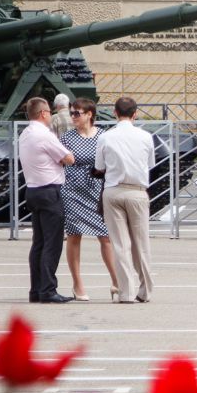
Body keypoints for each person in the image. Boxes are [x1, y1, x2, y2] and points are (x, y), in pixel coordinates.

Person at [96, 96, 157, 302]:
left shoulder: (105, 137)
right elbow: (149, 164)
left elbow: (100, 166)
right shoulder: (145, 136)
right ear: (135, 114)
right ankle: (145, 290)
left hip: (113, 190)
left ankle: (126, 292)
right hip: (138, 190)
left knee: (120, 245)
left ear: (114, 113)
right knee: (141, 243)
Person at [18, 97, 76, 301]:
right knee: (52, 243)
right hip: (49, 191)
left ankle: (36, 290)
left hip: (32, 190)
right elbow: (68, 158)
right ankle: (48, 290)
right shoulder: (44, 134)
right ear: (43, 114)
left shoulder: (25, 133)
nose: (50, 115)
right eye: (49, 112)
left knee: (39, 243)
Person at [60, 99, 115, 300]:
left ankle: (116, 281)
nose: (73, 116)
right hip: (72, 190)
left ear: (89, 114)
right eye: (72, 113)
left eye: (77, 113)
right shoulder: (67, 137)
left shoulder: (103, 136)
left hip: (97, 188)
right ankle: (77, 284)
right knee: (74, 235)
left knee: (105, 236)